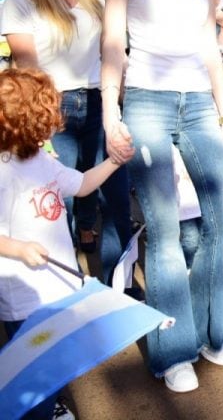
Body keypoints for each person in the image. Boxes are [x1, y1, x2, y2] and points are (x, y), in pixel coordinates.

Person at [101, 0, 223, 393]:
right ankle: (173, 351)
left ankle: (208, 333)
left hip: (200, 102)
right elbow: (113, 40)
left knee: (222, 223)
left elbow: (208, 44)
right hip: (146, 100)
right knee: (163, 232)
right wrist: (109, 110)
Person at [0, 0, 133, 285]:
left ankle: (117, 285)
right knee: (62, 206)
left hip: (99, 106)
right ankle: (68, 287)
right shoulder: (20, 1)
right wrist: (37, 127)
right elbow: (27, 67)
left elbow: (114, 52)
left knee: (116, 200)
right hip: (51, 111)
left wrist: (119, 105)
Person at [0, 68, 132, 420]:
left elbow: (83, 184)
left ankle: (47, 406)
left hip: (58, 286)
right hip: (24, 296)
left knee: (54, 363)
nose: (52, 126)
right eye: (45, 117)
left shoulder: (41, 159)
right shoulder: (3, 170)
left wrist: (114, 162)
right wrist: (17, 248)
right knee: (31, 372)